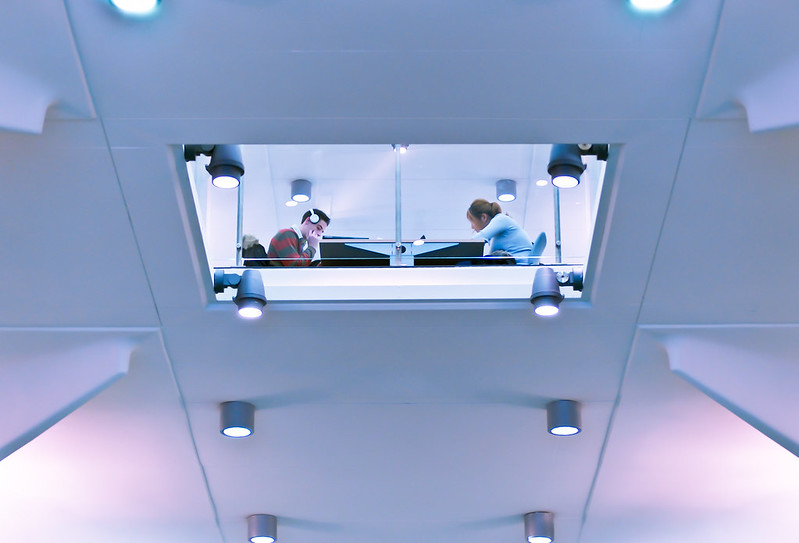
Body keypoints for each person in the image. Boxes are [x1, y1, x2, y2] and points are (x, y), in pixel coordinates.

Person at [242, 208, 330, 267]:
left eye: (322, 231)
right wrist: (312, 247)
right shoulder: (287, 234)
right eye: (318, 228)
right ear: (308, 220)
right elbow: (294, 265)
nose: (319, 234)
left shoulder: (300, 242)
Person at [466, 198, 534, 264]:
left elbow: (478, 239)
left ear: (483, 217)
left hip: (519, 264)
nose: (472, 227)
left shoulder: (501, 219)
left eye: (472, 222)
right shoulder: (499, 229)